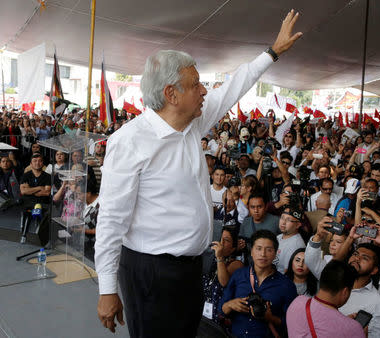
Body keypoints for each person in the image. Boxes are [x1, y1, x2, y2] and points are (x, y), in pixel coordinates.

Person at [95, 10, 302, 337]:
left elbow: (234, 86)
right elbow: (110, 220)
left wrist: (272, 52)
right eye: (196, 85)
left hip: (191, 268)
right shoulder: (129, 142)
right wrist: (107, 289)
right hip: (151, 272)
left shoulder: (192, 125)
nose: (205, 91)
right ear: (171, 94)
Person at [219, 230, 298, 337]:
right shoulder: (239, 275)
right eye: (258, 248)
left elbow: (293, 324)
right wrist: (229, 305)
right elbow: (221, 309)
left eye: (268, 250)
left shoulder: (286, 285)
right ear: (251, 252)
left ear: (275, 254)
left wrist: (271, 318)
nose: (263, 254)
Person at [286, 260, 365, 338]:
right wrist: (351, 326)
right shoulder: (353, 329)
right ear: (345, 292)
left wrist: (345, 322)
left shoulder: (298, 302)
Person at [202, 226, 243, 324]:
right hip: (204, 309)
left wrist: (219, 257)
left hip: (219, 314)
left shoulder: (236, 264)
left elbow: (224, 282)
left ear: (233, 248)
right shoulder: (212, 259)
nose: (221, 242)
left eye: (226, 240)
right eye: (220, 238)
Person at [274, 207, 306, 273]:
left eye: (288, 220)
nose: (283, 222)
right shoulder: (278, 237)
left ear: (297, 225)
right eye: (282, 218)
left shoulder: (297, 245)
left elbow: (287, 272)